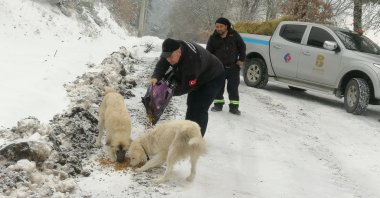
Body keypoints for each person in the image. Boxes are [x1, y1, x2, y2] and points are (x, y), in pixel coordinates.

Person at [150, 38, 225, 137]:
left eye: (170, 57)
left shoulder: (191, 62)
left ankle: (197, 139)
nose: (168, 60)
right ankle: (187, 134)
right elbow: (162, 64)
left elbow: (185, 87)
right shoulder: (172, 47)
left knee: (200, 108)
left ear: (179, 52)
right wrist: (155, 77)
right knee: (191, 105)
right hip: (199, 73)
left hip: (212, 77)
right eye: (166, 57)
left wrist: (167, 92)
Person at [206, 17, 246, 115]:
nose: (218, 29)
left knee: (233, 89)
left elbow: (242, 47)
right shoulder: (213, 38)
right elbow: (208, 52)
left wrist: (241, 59)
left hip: (233, 67)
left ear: (226, 26)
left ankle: (234, 108)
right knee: (218, 87)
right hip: (219, 68)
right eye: (217, 27)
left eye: (221, 26)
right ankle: (218, 105)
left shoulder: (234, 35)